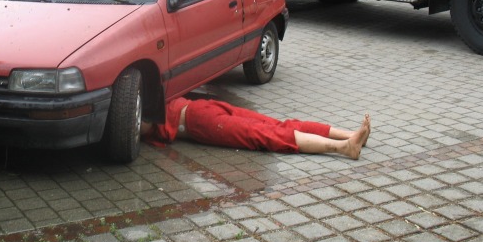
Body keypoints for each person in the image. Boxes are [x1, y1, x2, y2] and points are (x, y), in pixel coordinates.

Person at [140, 96, 371, 159]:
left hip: (200, 114)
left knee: (272, 129)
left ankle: (349, 140)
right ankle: (347, 142)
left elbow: (142, 124)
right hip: (197, 114)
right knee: (273, 129)